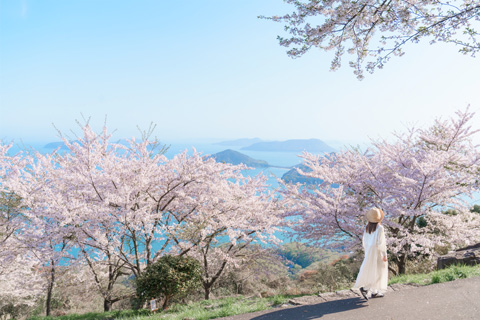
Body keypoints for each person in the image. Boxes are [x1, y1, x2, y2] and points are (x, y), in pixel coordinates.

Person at [354, 208, 388, 300]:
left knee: (371, 270)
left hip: (369, 250)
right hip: (377, 251)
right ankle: (366, 288)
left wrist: (367, 251)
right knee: (379, 271)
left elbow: (364, 241)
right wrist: (384, 254)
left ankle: (374, 291)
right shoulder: (380, 228)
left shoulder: (367, 227)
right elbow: (381, 243)